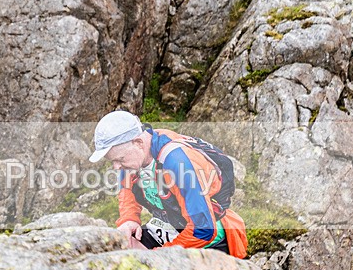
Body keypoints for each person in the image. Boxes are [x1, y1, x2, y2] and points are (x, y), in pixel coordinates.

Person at [90, 111, 248, 258]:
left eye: (120, 159)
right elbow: (127, 190)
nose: (116, 167)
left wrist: (161, 256)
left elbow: (204, 230)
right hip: (170, 224)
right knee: (122, 246)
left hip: (207, 234)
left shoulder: (177, 163)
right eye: (113, 161)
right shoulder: (133, 159)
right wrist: (128, 219)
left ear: (138, 142)